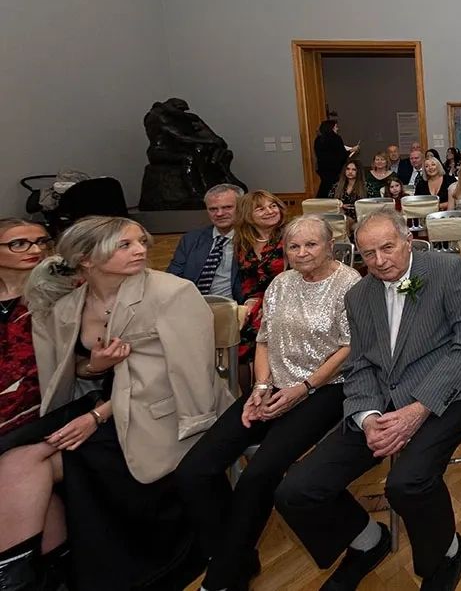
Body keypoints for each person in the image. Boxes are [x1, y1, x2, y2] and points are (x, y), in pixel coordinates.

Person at [273, 213, 461, 591]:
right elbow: (358, 364)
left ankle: (445, 553)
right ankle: (365, 541)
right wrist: (367, 416)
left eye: (387, 247)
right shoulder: (359, 294)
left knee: (406, 483)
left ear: (407, 241)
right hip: (381, 400)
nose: (379, 260)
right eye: (368, 253)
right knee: (296, 490)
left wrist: (417, 409)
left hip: (450, 391)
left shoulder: (450, 269)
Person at [25, 217, 230, 591]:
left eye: (141, 242)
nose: (141, 250)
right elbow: (70, 370)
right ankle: (38, 571)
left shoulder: (171, 293)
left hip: (162, 409)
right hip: (97, 400)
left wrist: (96, 416)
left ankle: (118, 569)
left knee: (68, 458)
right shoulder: (70, 305)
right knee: (17, 455)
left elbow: (189, 377)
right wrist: (95, 366)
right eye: (125, 245)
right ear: (87, 259)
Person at [176, 216, 359, 591]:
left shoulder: (349, 284)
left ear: (329, 245)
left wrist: (304, 387)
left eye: (311, 244)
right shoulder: (280, 284)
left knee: (259, 474)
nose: (302, 253)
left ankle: (224, 575)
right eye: (294, 246)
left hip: (326, 390)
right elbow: (264, 341)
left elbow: (349, 347)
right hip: (273, 384)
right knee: (194, 470)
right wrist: (260, 386)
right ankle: (236, 553)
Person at [0, 220, 63, 590]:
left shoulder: (62, 295)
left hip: (50, 413)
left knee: (18, 464)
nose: (34, 249)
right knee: (29, 478)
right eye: (20, 243)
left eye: (41, 241)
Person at [234, 191, 287, 370]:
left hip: (286, 299)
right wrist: (250, 301)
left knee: (257, 333)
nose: (270, 211)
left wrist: (267, 304)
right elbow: (247, 279)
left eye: (273, 206)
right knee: (236, 338)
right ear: (248, 215)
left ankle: (262, 386)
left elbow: (296, 278)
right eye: (261, 209)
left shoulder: (290, 236)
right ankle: (247, 393)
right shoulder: (243, 242)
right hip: (257, 302)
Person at [167, 183, 244, 299]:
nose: (219, 214)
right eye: (213, 209)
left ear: (242, 207)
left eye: (227, 207)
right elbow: (173, 277)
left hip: (235, 308)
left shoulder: (252, 239)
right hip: (193, 305)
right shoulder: (191, 239)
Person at [314, 121, 358, 199]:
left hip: (322, 168)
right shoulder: (336, 138)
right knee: (334, 187)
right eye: (336, 126)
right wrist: (351, 150)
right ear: (331, 127)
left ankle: (319, 203)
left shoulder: (318, 139)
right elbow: (341, 155)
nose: (337, 128)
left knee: (324, 186)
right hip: (335, 169)